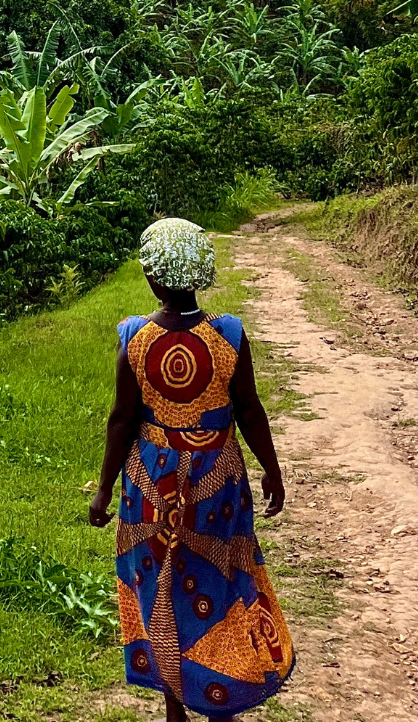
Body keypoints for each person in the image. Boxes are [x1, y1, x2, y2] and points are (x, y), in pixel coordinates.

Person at [88, 218, 293, 721]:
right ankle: (222, 699)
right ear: (197, 274)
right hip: (216, 483)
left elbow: (121, 421)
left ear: (152, 278)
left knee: (162, 589)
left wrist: (104, 490)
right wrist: (271, 469)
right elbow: (249, 410)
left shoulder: (133, 339)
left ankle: (174, 706)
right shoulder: (228, 335)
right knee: (218, 585)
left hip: (150, 485)